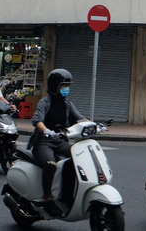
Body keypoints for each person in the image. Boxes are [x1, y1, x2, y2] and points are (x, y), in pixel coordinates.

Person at [30, 69, 86, 218]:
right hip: (44, 142)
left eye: (68, 86)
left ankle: (66, 196)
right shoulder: (45, 102)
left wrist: (94, 125)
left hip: (60, 142)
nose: (66, 89)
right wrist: (47, 130)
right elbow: (37, 120)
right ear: (55, 86)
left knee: (79, 156)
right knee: (50, 163)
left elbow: (80, 119)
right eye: (63, 86)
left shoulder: (67, 104)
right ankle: (48, 199)